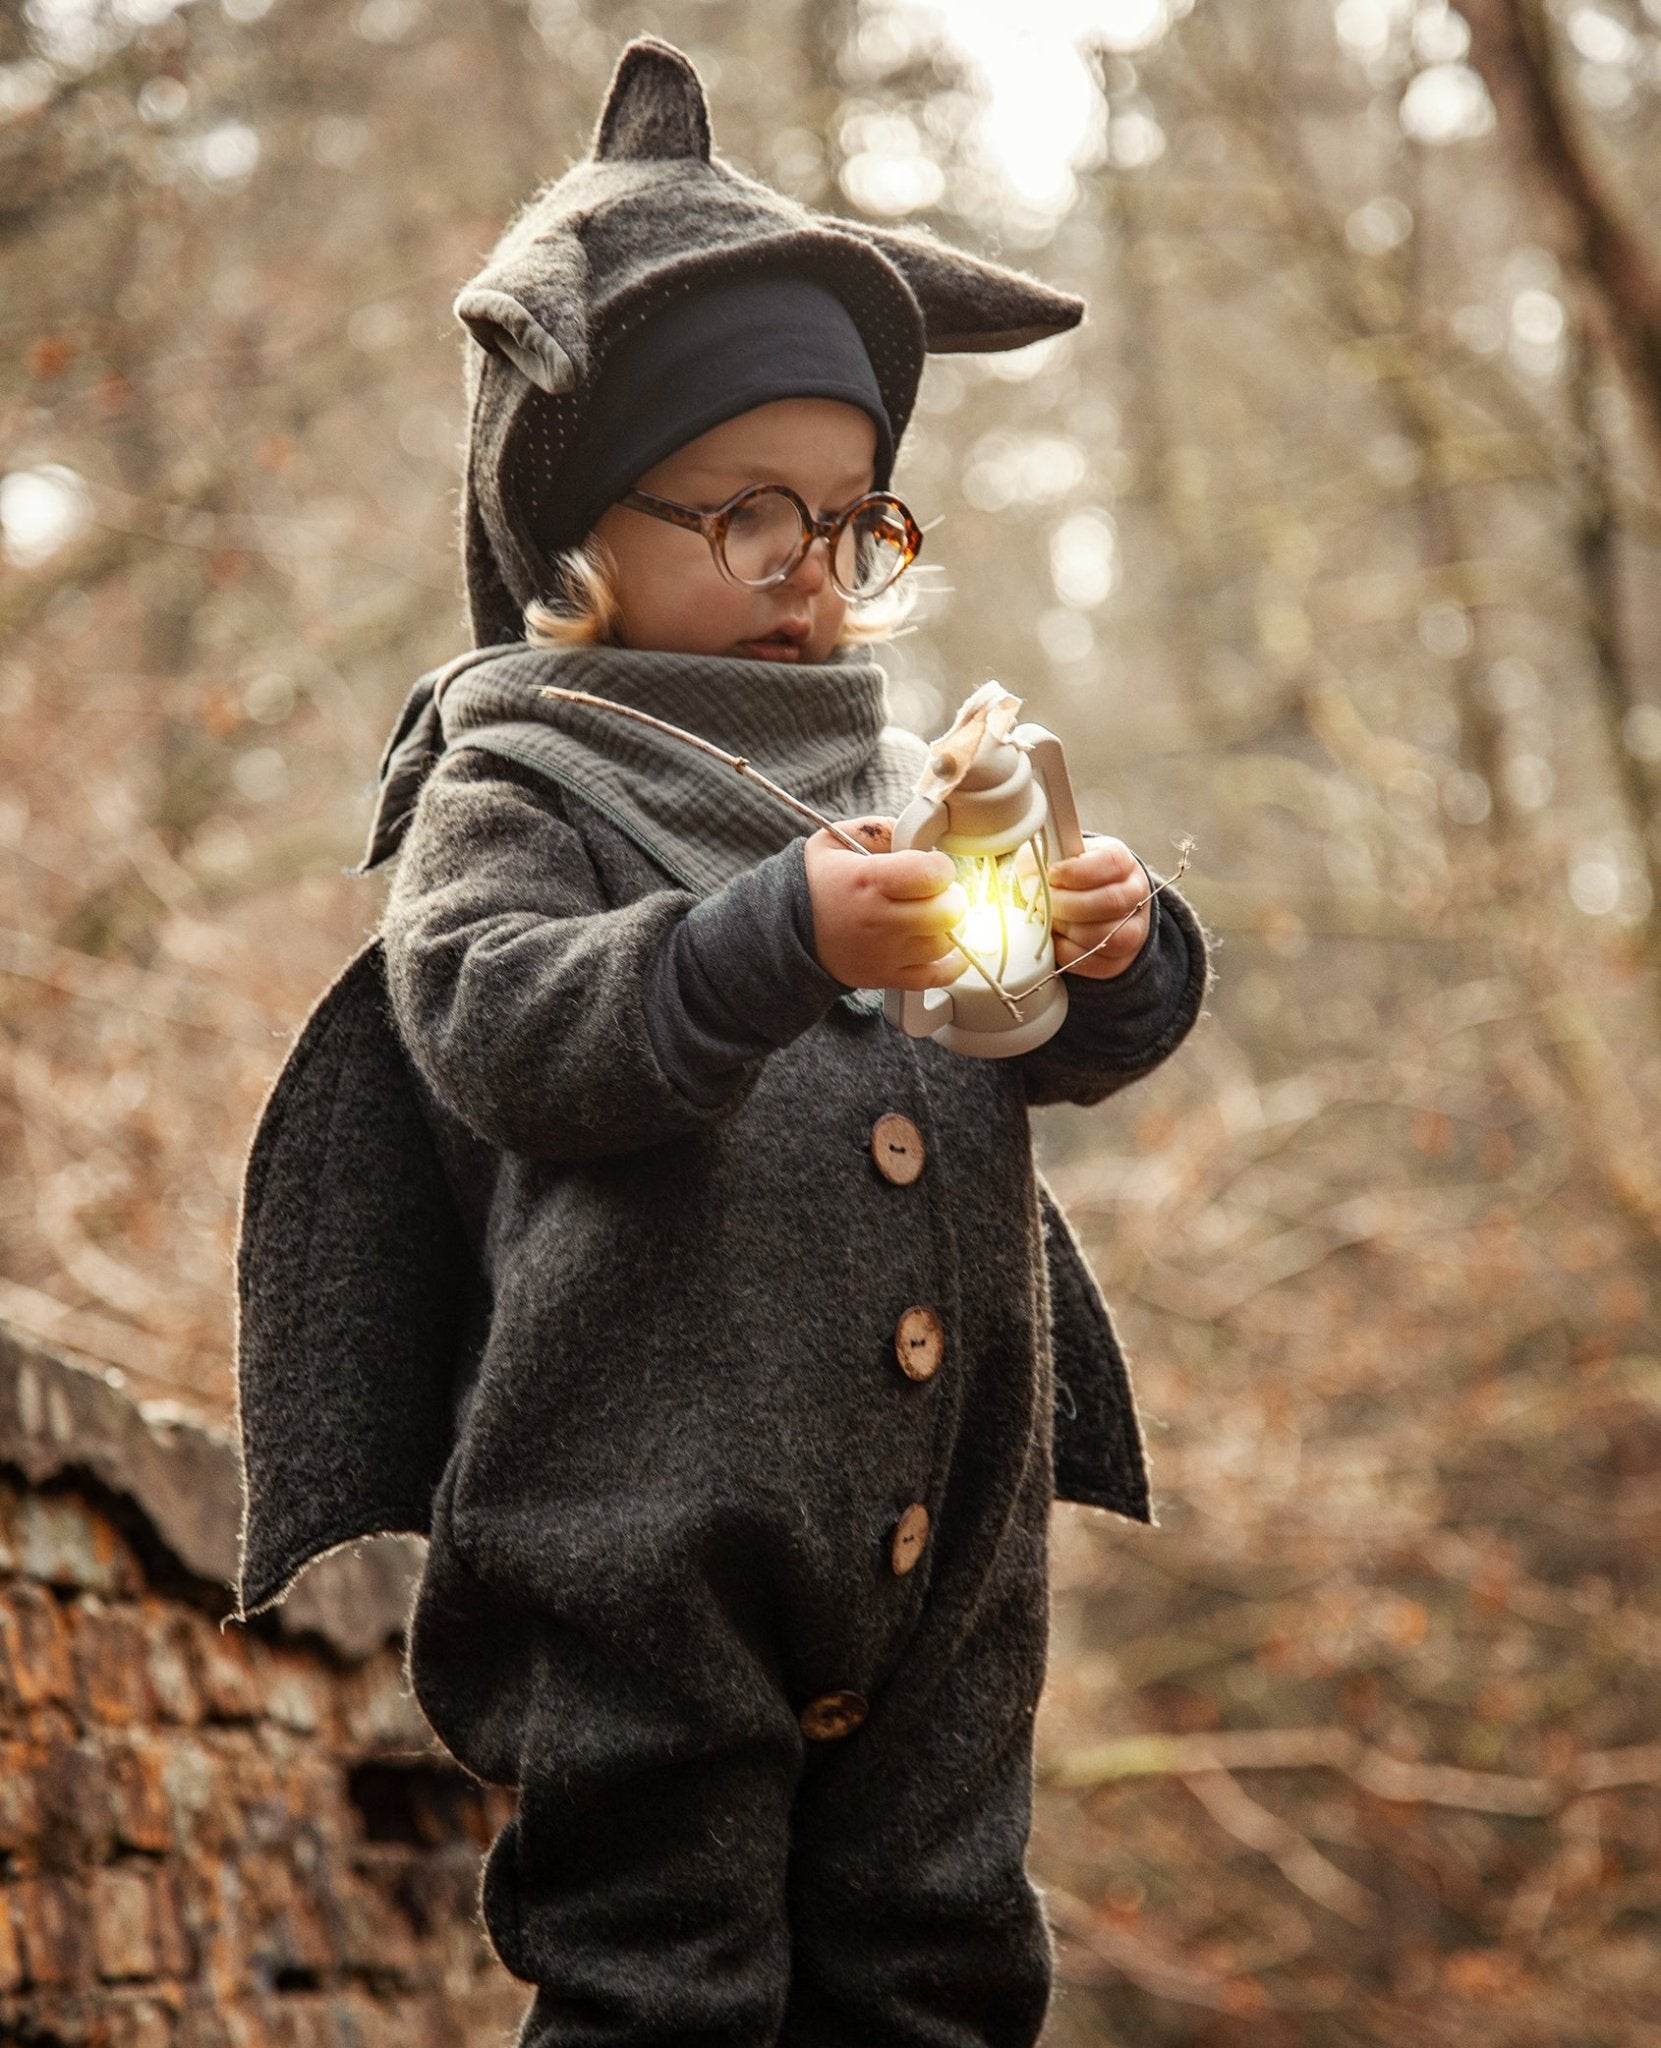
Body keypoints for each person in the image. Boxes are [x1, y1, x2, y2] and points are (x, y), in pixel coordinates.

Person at [233, 35, 1209, 2048]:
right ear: (576, 545)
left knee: (942, 1960)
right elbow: (500, 1026)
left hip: (944, 1554)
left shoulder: (891, 774)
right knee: (657, 1979)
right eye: (746, 516)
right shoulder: (514, 777)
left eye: (850, 523)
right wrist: (764, 935)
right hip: (638, 1554)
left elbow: (1007, 1043)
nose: (810, 574)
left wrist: (1110, 959)